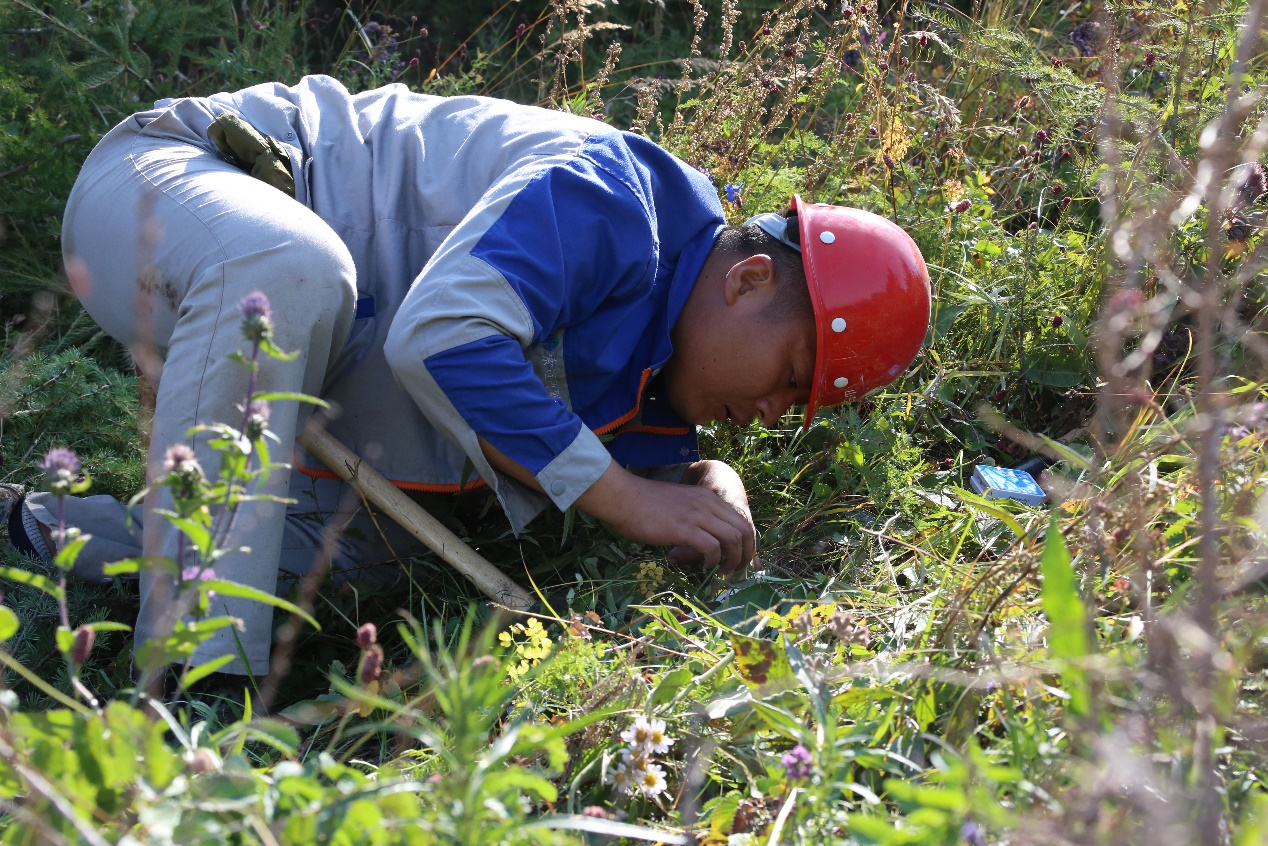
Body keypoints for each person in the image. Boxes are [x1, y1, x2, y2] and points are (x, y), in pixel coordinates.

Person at [0, 74, 930, 680]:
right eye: (788, 374)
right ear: (751, 277)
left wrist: (693, 482)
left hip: (283, 306)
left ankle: (35, 527)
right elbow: (442, 339)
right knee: (290, 271)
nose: (767, 413)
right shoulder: (614, 199)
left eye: (792, 413)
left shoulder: (666, 350)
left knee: (365, 553)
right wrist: (620, 498)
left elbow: (588, 445)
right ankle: (196, 691)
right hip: (171, 186)